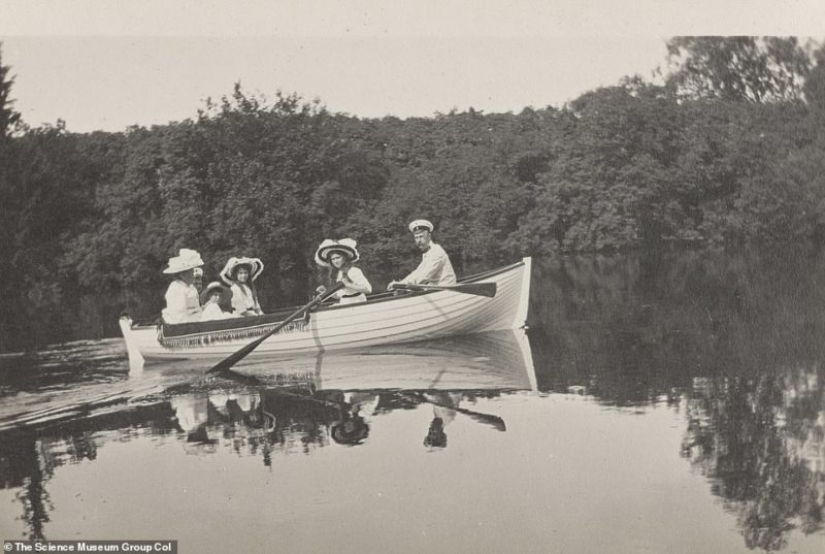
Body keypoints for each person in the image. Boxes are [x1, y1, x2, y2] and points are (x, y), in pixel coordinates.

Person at [388, 219, 456, 290]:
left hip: (447, 291)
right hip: (436, 290)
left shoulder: (437, 252)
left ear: (429, 236)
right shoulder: (428, 252)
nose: (419, 241)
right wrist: (400, 283)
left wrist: (404, 287)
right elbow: (417, 272)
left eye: (421, 237)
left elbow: (425, 276)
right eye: (416, 238)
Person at [314, 238, 372, 305]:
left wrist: (348, 284)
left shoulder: (354, 271)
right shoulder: (336, 274)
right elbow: (339, 295)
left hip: (357, 302)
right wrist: (325, 292)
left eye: (338, 258)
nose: (335, 261)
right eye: (333, 259)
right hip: (344, 302)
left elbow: (368, 289)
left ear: (344, 258)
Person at [161, 248, 205, 324]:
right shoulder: (176, 288)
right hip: (185, 322)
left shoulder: (191, 287)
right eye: (191, 272)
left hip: (196, 318)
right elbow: (179, 316)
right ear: (183, 275)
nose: (193, 275)